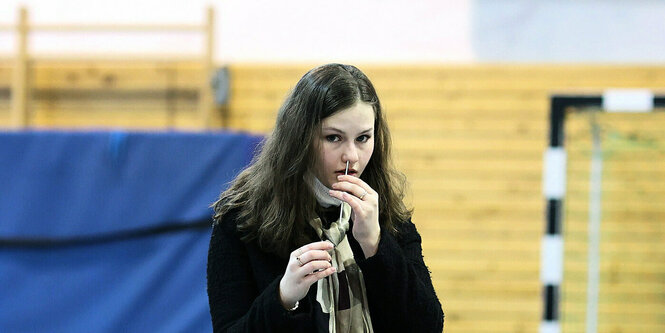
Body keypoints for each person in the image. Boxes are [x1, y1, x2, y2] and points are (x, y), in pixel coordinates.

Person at [207, 64, 444, 332]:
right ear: (300, 137)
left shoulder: (384, 210)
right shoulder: (241, 217)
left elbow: (428, 326)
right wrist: (283, 298)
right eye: (334, 138)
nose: (352, 156)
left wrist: (376, 245)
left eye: (363, 138)